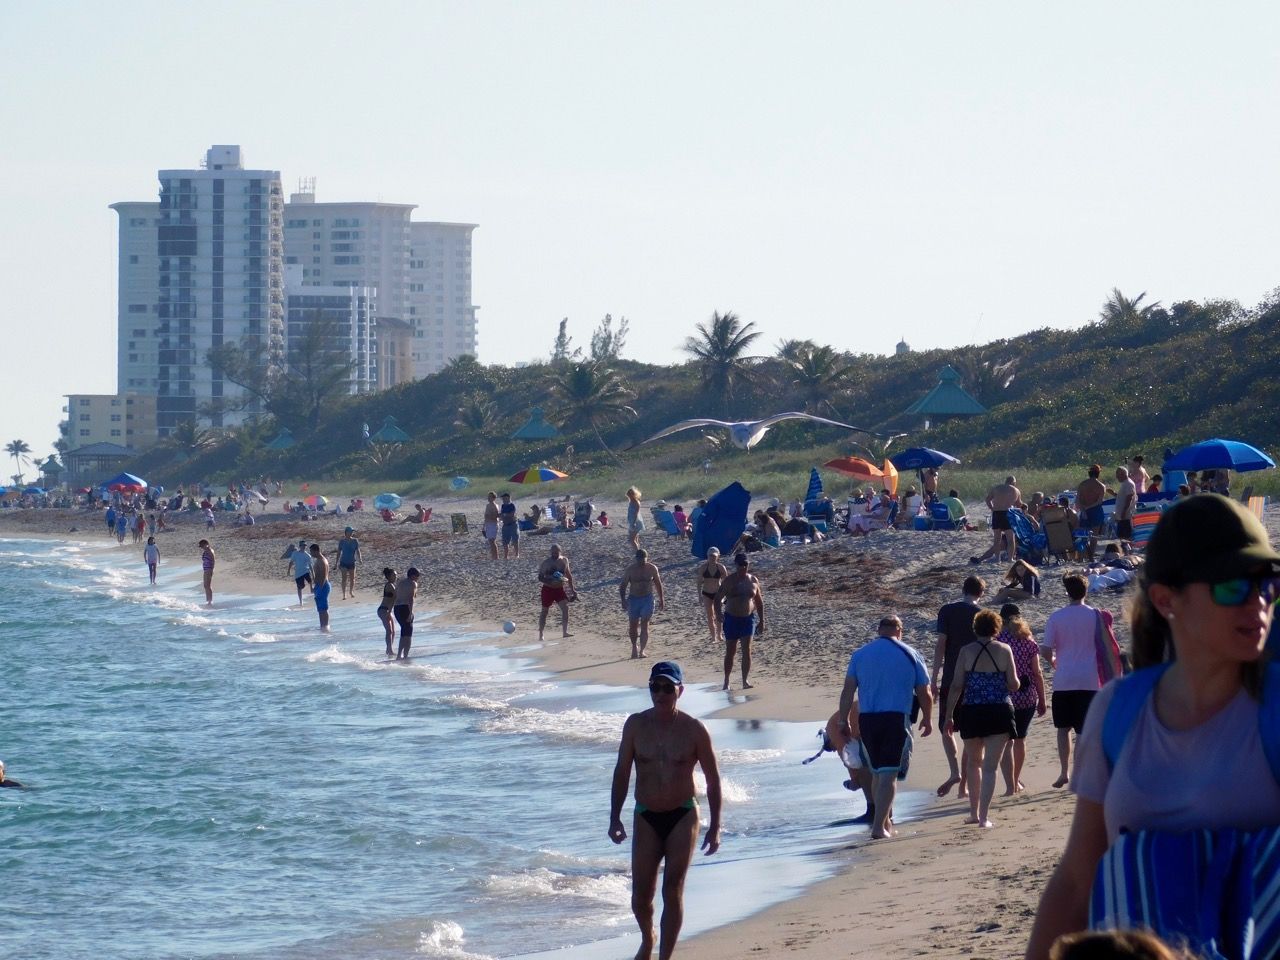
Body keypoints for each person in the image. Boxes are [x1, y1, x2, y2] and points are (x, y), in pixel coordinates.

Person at [1025, 495, 1280, 958]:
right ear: (1166, 599)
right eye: (1232, 587)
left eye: (1268, 584)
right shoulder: (1119, 710)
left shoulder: (1273, 708)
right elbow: (1077, 880)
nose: (1258, 603)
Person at [609, 661, 721, 960]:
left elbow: (713, 779)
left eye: (667, 688)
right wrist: (614, 817)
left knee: (672, 889)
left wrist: (716, 826)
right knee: (640, 899)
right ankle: (648, 938)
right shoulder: (635, 725)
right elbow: (622, 772)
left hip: (683, 814)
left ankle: (665, 957)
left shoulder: (694, 730)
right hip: (645, 814)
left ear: (679, 691)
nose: (661, 693)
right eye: (655, 687)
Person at [838, 615, 933, 839]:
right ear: (900, 631)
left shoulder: (860, 654)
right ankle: (879, 827)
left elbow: (848, 690)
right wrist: (927, 718)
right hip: (896, 718)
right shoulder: (911, 653)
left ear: (879, 630)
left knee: (877, 772)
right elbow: (924, 691)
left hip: (868, 719)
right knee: (888, 774)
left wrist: (844, 719)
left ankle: (886, 821)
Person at [943, 610, 1018, 828]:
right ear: (996, 628)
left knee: (974, 764)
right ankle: (984, 817)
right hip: (999, 710)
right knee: (990, 768)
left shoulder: (966, 651)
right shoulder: (1005, 649)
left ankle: (974, 813)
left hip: (972, 711)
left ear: (976, 628)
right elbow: (1013, 684)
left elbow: (957, 685)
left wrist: (949, 715)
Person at [1042, 574, 1110, 789]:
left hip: (1064, 679)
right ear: (1086, 592)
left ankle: (1064, 772)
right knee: (1082, 731)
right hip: (1089, 678)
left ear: (1066, 592)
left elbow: (1045, 649)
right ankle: (1080, 772)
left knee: (1063, 728)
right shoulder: (1096, 616)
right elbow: (1107, 646)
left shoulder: (1057, 617)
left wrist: (1053, 661)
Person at [931, 575, 985, 797]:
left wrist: (934, 677)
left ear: (963, 590)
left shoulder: (947, 610)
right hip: (974, 679)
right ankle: (963, 786)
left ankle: (955, 772)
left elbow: (941, 644)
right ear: (980, 593)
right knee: (970, 734)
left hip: (951, 676)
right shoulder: (981, 614)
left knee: (947, 725)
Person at [997, 604, 1047, 796]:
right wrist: (1042, 699)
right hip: (1027, 696)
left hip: (1006, 695)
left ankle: (1010, 785)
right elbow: (1037, 673)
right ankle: (1016, 779)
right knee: (1020, 739)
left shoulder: (999, 639)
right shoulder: (1028, 640)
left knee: (1007, 741)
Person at [715, 553, 766, 690]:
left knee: (747, 650)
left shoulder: (753, 581)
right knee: (731, 651)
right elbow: (717, 598)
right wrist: (718, 613)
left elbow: (759, 603)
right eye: (741, 565)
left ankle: (745, 681)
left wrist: (762, 621)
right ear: (736, 565)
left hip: (748, 619)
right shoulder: (729, 581)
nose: (743, 567)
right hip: (731, 619)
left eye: (746, 564)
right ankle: (726, 680)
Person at [824, 709, 875, 824]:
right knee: (880, 769)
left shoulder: (832, 730)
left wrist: (854, 781)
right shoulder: (833, 722)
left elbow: (850, 759)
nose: (834, 751)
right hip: (875, 714)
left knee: (862, 769)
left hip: (866, 724)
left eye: (832, 749)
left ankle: (872, 810)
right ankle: (885, 812)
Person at [620, 549, 665, 659]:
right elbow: (623, 586)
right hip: (634, 599)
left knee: (645, 623)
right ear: (636, 559)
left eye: (643, 560)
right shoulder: (630, 570)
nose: (641, 562)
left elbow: (658, 584)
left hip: (647, 598)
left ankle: (642, 651)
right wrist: (623, 600)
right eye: (640, 560)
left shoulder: (652, 568)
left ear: (647, 558)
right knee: (633, 625)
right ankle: (634, 647)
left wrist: (661, 599)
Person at [971, 476, 1023, 563]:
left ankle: (997, 558)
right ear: (1014, 483)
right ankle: (1010, 559)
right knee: (1010, 538)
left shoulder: (996, 488)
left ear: (1005, 481)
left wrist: (992, 508)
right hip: (1008, 513)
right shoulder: (1016, 490)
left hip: (997, 513)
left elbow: (988, 500)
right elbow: (1019, 504)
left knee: (997, 538)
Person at [537, 544, 575, 641]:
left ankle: (564, 632)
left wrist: (573, 590)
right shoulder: (546, 563)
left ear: (560, 552)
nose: (554, 554)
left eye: (556, 553)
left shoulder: (564, 561)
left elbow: (569, 576)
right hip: (547, 589)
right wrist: (550, 581)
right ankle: (541, 633)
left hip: (559, 589)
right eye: (552, 553)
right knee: (544, 611)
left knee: (565, 609)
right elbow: (540, 577)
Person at [695, 547, 727, 644]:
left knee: (718, 614)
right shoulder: (703, 567)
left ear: (718, 557)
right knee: (710, 615)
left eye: (714, 556)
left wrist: (726, 595)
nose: (712, 558)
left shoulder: (721, 567)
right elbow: (699, 582)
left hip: (718, 593)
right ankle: (713, 637)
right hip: (706, 593)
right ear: (707, 556)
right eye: (710, 556)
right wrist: (699, 596)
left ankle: (719, 634)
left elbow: (726, 582)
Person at [1076, 464, 1108, 560]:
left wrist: (1084, 510)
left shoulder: (1082, 485)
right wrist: (1089, 507)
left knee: (1084, 536)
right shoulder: (1101, 486)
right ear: (1098, 473)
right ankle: (1091, 556)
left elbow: (1078, 500)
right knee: (1094, 535)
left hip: (1084, 510)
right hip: (1096, 511)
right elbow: (1099, 501)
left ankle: (1081, 557)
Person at [392, 567, 420, 660]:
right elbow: (411, 599)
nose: (418, 579)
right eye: (417, 576)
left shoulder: (400, 582)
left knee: (403, 632)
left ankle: (399, 655)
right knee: (408, 634)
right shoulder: (413, 583)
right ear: (413, 576)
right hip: (405, 608)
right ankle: (406, 656)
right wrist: (410, 613)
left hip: (396, 608)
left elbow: (395, 595)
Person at [1113, 466, 1137, 553]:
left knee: (1126, 536)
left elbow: (1129, 498)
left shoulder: (1128, 483)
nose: (1117, 477)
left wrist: (1124, 511)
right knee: (1121, 536)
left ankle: (1128, 552)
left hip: (1126, 515)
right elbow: (1123, 497)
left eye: (1118, 475)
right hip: (1122, 516)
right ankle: (1124, 551)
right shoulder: (1125, 484)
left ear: (1123, 474)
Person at [334, 527, 362, 600]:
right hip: (343, 562)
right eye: (350, 531)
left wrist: (360, 559)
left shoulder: (355, 541)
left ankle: (351, 591)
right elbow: (339, 552)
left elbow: (358, 550)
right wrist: (336, 563)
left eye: (352, 532)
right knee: (344, 579)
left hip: (352, 562)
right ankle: (344, 594)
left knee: (352, 579)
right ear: (346, 532)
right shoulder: (342, 541)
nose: (351, 533)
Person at [309, 543, 331, 632]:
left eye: (311, 552)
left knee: (323, 608)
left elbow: (324, 575)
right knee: (320, 609)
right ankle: (322, 626)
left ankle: (326, 626)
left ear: (316, 551)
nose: (311, 554)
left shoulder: (322, 560)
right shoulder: (318, 560)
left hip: (323, 586)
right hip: (319, 586)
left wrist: (320, 587)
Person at [377, 567, 397, 657]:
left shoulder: (392, 585)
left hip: (388, 610)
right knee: (389, 631)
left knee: (393, 631)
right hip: (383, 610)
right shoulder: (389, 585)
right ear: (389, 576)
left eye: (396, 575)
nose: (396, 576)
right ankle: (389, 650)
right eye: (394, 575)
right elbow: (396, 596)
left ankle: (389, 649)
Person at [286, 540, 313, 605]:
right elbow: (291, 562)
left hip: (306, 571)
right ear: (300, 546)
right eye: (303, 545)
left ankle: (311, 589)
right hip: (298, 573)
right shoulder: (295, 553)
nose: (304, 547)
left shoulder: (308, 555)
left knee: (310, 581)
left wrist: (313, 574)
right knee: (300, 587)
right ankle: (301, 601)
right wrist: (288, 571)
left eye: (305, 546)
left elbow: (310, 565)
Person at [499, 492, 520, 559]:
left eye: (504, 498)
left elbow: (512, 514)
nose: (503, 499)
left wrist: (504, 515)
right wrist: (502, 516)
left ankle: (517, 554)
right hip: (505, 525)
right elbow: (502, 515)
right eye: (502, 498)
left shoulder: (512, 505)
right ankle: (506, 556)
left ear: (508, 498)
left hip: (513, 524)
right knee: (505, 541)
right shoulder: (503, 506)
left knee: (515, 540)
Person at [483, 492, 500, 560]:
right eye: (488, 496)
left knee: (492, 541)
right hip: (489, 524)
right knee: (491, 541)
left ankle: (496, 556)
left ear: (494, 498)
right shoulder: (488, 505)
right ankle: (494, 556)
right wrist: (484, 526)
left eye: (490, 497)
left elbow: (496, 516)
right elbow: (486, 517)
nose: (488, 498)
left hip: (493, 524)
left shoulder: (494, 505)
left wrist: (489, 516)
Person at [198, 539, 215, 606]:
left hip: (209, 569)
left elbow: (213, 561)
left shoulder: (210, 551)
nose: (201, 547)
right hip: (205, 569)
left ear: (206, 544)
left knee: (208, 585)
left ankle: (210, 601)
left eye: (202, 546)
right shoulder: (205, 551)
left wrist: (212, 569)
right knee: (205, 585)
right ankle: (208, 600)